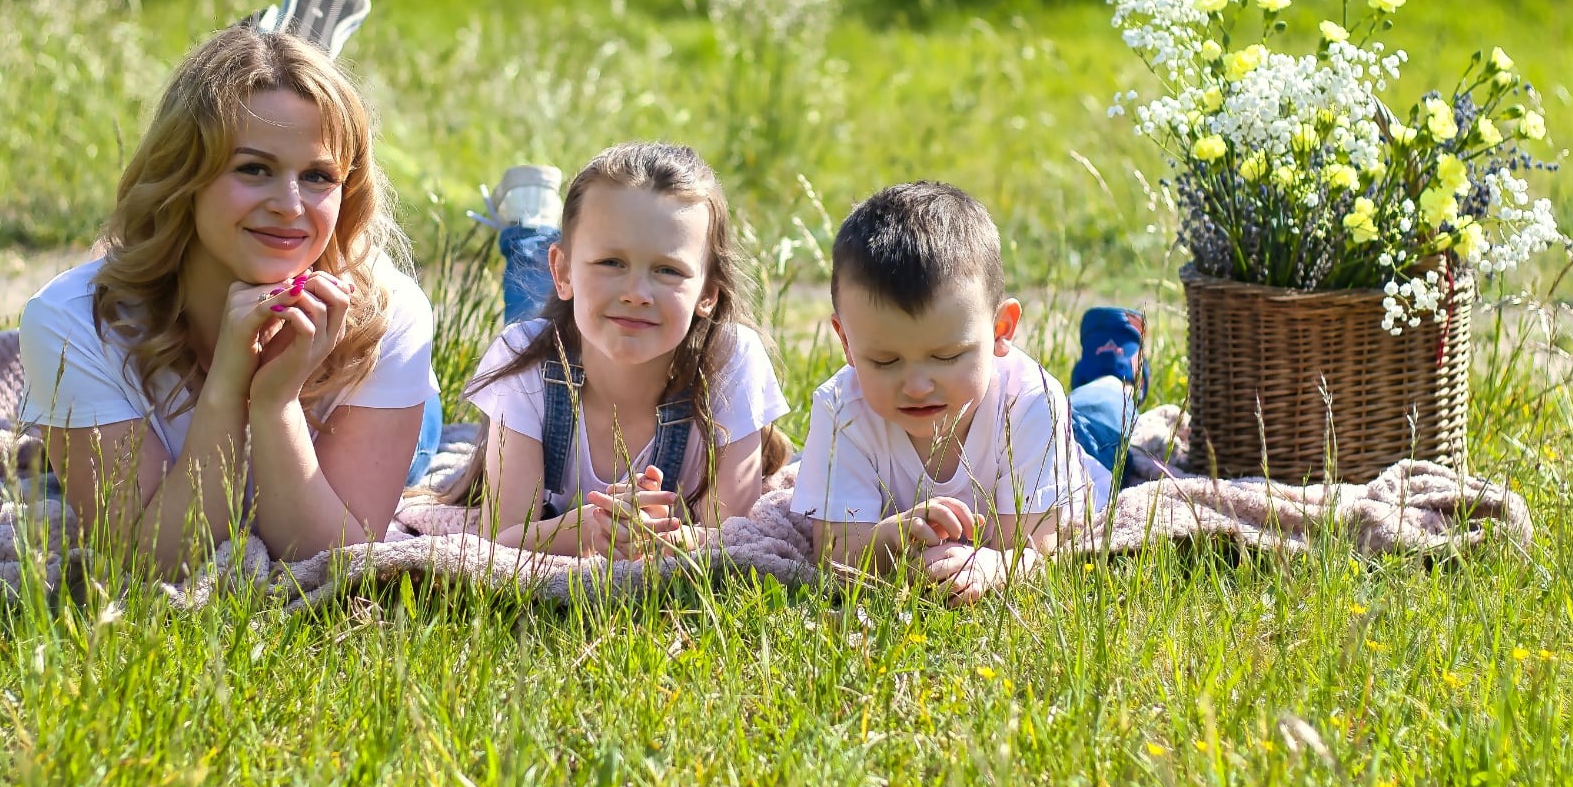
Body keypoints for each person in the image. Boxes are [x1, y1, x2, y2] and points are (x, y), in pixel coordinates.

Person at [19, 0, 436, 573]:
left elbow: (332, 559)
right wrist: (227, 388)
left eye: (318, 175)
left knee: (429, 450)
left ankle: (527, 235)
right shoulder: (73, 324)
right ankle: (280, 57)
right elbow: (158, 564)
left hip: (391, 411)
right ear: (183, 176)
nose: (290, 207)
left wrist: (275, 403)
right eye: (253, 168)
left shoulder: (388, 316)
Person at [790, 182, 1144, 604]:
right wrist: (895, 537)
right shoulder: (840, 408)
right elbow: (832, 554)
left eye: (946, 356)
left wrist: (994, 567)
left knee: (1104, 406)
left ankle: (1114, 357)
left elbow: (1038, 548)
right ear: (846, 341)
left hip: (1080, 448)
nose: (917, 386)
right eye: (885, 361)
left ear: (1001, 330)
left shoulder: (1030, 399)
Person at [438, 142, 790, 555]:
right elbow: (503, 541)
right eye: (611, 262)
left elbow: (731, 535)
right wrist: (588, 529)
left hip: (583, 314)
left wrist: (671, 540)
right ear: (563, 270)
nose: (637, 293)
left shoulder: (731, 359)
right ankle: (530, 225)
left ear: (708, 293)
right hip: (561, 329)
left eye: (668, 270)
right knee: (532, 314)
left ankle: (545, 232)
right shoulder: (524, 361)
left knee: (570, 308)